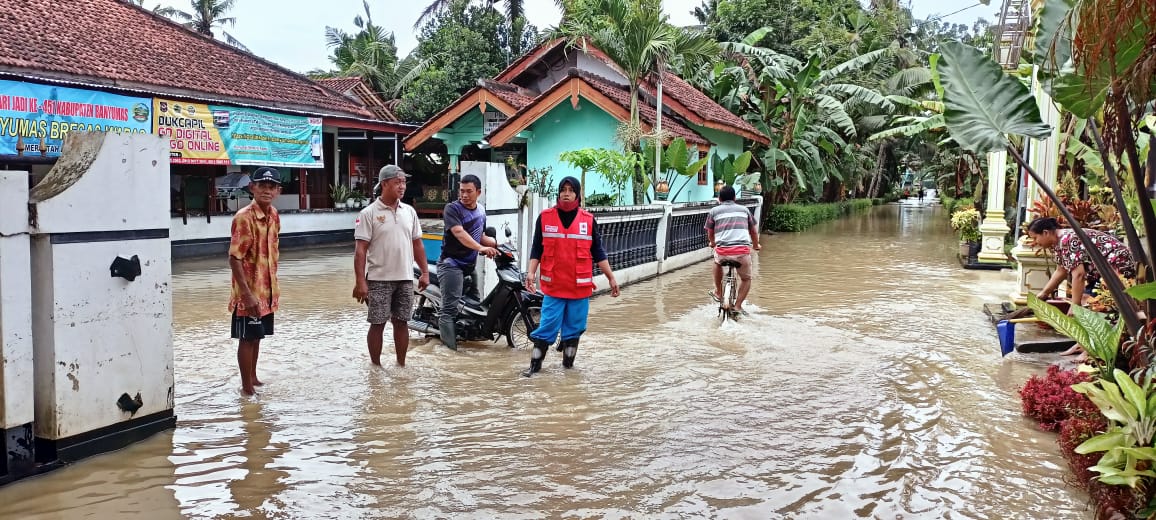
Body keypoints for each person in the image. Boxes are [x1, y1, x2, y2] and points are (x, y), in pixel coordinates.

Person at [522, 176, 620, 377]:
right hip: (554, 289)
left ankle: (568, 369)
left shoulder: (588, 221)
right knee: (546, 327)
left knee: (574, 330)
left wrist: (610, 277)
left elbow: (599, 253)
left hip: (579, 289)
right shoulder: (545, 217)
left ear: (577, 194)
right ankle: (534, 369)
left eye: (571, 190)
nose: (566, 193)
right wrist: (531, 273)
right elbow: (536, 249)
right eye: (563, 189)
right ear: (559, 193)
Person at [353, 165, 430, 366]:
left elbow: (418, 244)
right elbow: (360, 250)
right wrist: (361, 282)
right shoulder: (368, 213)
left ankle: (401, 365)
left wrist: (424, 272)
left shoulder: (410, 212)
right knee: (377, 324)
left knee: (402, 322)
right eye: (398, 182)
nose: (402, 186)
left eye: (404, 182)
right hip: (378, 279)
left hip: (405, 277)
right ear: (384, 184)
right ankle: (376, 367)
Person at [228, 167, 283, 396]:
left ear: (278, 191)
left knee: (257, 336)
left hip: (266, 291)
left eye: (271, 187)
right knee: (247, 339)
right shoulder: (243, 218)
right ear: (252, 188)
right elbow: (234, 258)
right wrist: (247, 295)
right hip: (248, 293)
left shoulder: (274, 216)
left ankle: (253, 377)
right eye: (262, 186)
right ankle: (247, 389)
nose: (267, 191)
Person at [438, 174, 499, 350]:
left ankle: (470, 339)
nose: (464, 195)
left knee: (475, 304)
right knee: (449, 310)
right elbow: (459, 233)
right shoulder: (452, 209)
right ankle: (450, 352)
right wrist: (480, 248)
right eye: (462, 191)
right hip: (451, 264)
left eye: (469, 191)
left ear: (478, 192)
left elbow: (480, 236)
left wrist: (498, 245)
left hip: (469, 266)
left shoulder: (480, 210)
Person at [1027, 216, 1136, 312]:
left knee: (1095, 303)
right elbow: (1061, 271)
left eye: (1035, 238)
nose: (1035, 242)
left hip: (1117, 266)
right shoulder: (1058, 243)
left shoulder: (1067, 240)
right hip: (1101, 272)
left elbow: (1079, 275)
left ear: (1045, 233)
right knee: (1087, 300)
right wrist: (1044, 293)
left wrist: (1075, 306)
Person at [706, 186, 761, 315]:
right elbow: (753, 231)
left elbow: (710, 232)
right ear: (735, 198)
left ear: (719, 199)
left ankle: (718, 292)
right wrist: (756, 245)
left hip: (723, 251)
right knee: (746, 279)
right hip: (742, 252)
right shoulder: (744, 210)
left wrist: (713, 243)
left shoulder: (714, 211)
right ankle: (738, 306)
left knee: (717, 261)